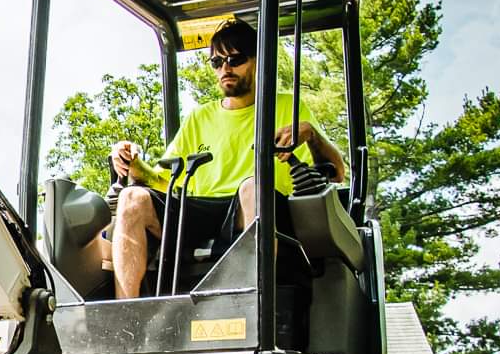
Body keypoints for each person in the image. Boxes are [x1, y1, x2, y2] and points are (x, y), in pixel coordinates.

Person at [107, 20, 344, 299]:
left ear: (258, 60)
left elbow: (337, 173)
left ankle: (258, 305)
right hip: (201, 212)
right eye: (217, 62)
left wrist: (312, 135)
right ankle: (128, 318)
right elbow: (162, 180)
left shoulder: (286, 107)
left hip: (258, 208)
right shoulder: (200, 117)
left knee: (252, 187)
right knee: (132, 198)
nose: (225, 69)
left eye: (235, 59)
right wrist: (132, 162)